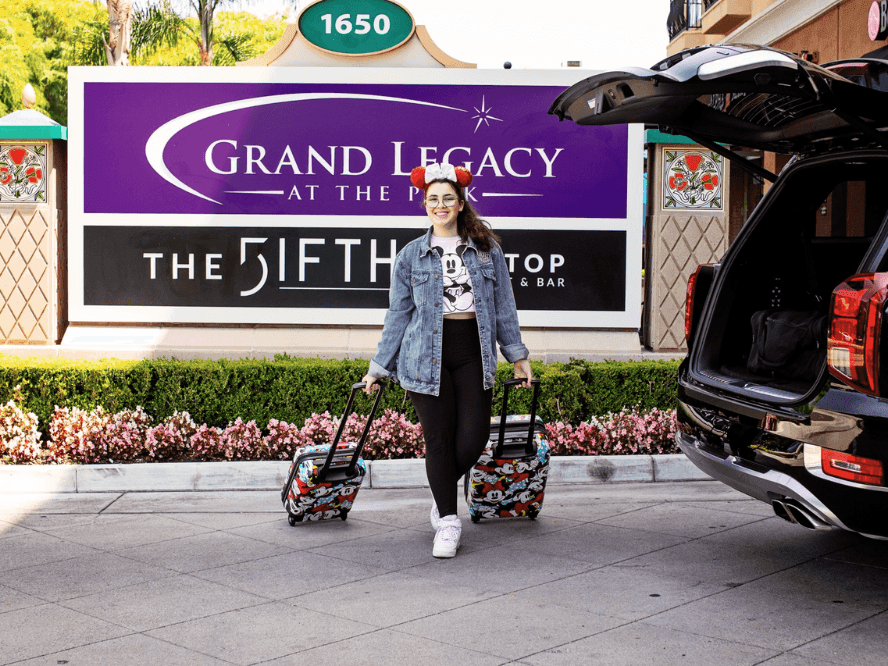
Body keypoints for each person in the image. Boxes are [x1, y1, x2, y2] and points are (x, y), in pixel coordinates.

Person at [362, 162, 532, 559]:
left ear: (460, 204)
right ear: (425, 205)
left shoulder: (487, 250)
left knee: (472, 440)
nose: (440, 205)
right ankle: (449, 522)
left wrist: (517, 355)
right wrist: (378, 366)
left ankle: (441, 495)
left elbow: (504, 306)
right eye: (433, 199)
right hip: (424, 356)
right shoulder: (410, 257)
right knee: (438, 441)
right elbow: (398, 315)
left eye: (447, 199)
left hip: (473, 351)